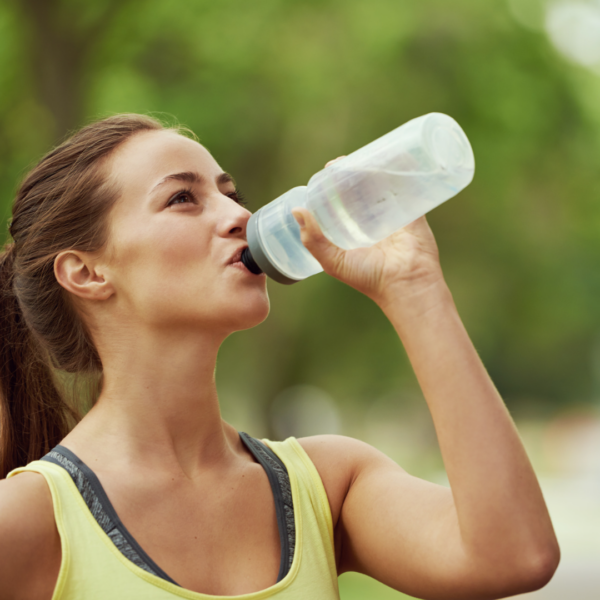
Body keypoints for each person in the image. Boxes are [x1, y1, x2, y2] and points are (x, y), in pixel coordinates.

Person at [0, 114, 559, 600]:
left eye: (230, 194)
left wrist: (414, 286)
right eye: (182, 198)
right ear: (87, 272)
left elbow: (515, 555)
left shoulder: (325, 485)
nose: (240, 215)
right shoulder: (27, 521)